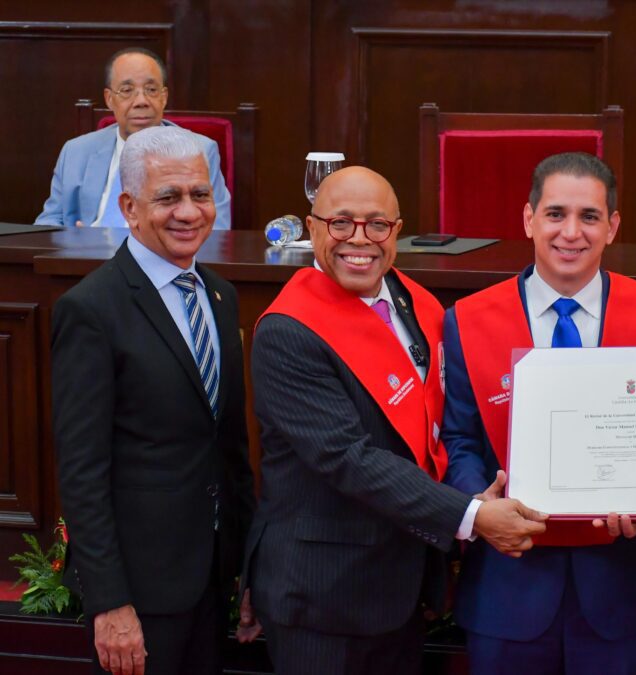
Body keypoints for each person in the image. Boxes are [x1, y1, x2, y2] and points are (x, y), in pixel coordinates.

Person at [242, 165, 548, 674]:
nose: (358, 240)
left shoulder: (410, 299)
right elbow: (348, 460)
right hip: (323, 596)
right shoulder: (288, 333)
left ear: (397, 232)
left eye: (376, 225)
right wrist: (471, 517)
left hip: (401, 585)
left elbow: (435, 425)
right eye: (341, 223)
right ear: (312, 227)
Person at [441, 152, 636, 674]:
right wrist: (481, 507)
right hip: (509, 589)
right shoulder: (468, 320)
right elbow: (459, 439)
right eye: (555, 214)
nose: (571, 232)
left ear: (612, 226)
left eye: (589, 216)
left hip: (625, 589)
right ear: (528, 219)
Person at [52, 125, 254, 675]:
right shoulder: (91, 311)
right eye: (168, 197)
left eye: (200, 194)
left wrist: (247, 568)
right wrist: (110, 602)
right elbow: (82, 472)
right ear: (129, 206)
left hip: (211, 578)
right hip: (140, 594)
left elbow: (230, 447)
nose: (189, 212)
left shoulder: (220, 295)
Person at [37, 47, 231, 229]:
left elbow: (216, 229)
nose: (141, 101)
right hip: (86, 260)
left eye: (151, 90)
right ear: (109, 99)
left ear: (164, 97)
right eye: (127, 91)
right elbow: (49, 223)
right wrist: (73, 241)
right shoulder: (76, 151)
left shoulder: (199, 150)